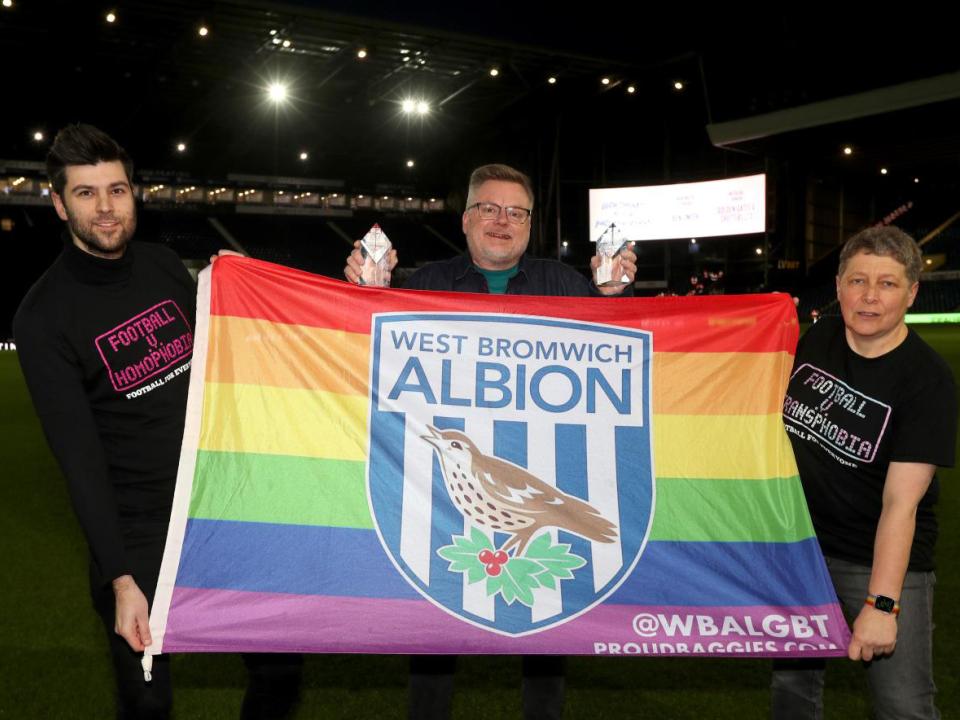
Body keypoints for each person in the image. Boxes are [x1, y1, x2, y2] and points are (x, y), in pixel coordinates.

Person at [14, 124, 301, 719]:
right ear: (59, 203)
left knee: (281, 671)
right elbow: (79, 461)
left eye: (116, 190)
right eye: (87, 193)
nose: (106, 207)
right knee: (146, 704)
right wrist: (120, 579)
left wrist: (244, 285)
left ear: (133, 193)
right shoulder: (43, 317)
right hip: (138, 534)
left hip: (219, 508)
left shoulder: (164, 264)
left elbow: (227, 353)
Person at [345, 163, 637, 719]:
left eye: (517, 212)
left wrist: (611, 295)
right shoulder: (424, 285)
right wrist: (363, 297)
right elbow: (364, 359)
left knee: (548, 630)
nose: (503, 221)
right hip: (436, 498)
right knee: (433, 628)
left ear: (530, 224)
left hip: (545, 472)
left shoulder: (565, 284)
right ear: (466, 219)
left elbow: (622, 348)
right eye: (489, 208)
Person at [773, 226, 957, 719]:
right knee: (792, 693)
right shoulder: (819, 339)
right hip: (802, 552)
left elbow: (902, 505)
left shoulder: (928, 380)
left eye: (888, 284)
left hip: (876, 559)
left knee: (903, 706)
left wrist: (882, 604)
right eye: (858, 281)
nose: (869, 297)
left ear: (913, 292)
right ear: (837, 286)